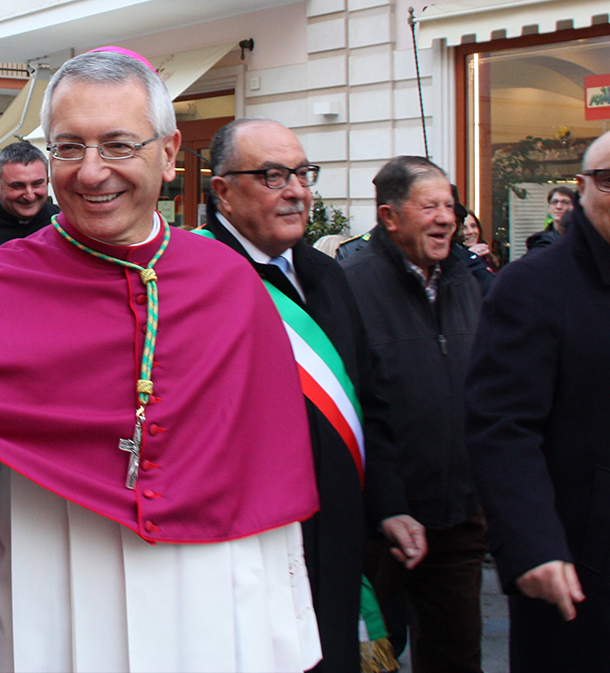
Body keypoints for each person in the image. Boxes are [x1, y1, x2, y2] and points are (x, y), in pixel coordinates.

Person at [0, 49, 323, 673]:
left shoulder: (232, 285)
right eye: (68, 148)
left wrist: (283, 642)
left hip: (211, 616)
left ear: (169, 151)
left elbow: (266, 487)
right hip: (53, 618)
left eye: (119, 146)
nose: (92, 173)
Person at [466, 127, 610, 671]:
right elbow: (501, 428)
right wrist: (533, 543)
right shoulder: (531, 286)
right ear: (582, 189)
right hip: (586, 579)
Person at [203, 117, 399, 673]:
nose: (297, 191)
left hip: (336, 531)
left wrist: (392, 504)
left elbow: (366, 396)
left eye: (302, 173)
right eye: (272, 176)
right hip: (249, 543)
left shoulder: (328, 275)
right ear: (223, 190)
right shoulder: (196, 278)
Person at [340, 156, 484, 673]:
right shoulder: (349, 286)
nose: (446, 217)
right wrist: (384, 502)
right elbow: (352, 407)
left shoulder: (465, 278)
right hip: (377, 522)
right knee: (371, 655)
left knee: (457, 653)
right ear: (390, 216)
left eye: (449, 204)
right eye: (430, 206)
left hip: (457, 514)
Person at [0, 141, 60, 248]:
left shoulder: (63, 224)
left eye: (37, 184)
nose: (30, 196)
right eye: (18, 186)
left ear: (47, 181)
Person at [525, 186, 574, 252]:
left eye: (565, 202)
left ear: (573, 207)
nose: (559, 207)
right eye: (554, 202)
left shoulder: (582, 239)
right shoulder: (539, 240)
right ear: (549, 208)